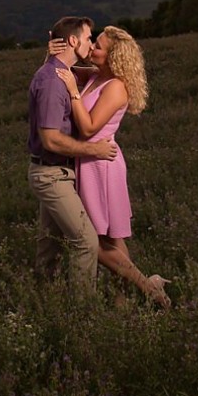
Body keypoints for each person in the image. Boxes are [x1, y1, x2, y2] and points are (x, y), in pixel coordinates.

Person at [54, 24, 170, 309]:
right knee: (111, 239)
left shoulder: (116, 86)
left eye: (98, 46)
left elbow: (88, 128)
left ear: (114, 57)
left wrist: (73, 93)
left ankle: (148, 288)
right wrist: (58, 52)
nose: (92, 47)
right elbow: (62, 68)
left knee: (93, 239)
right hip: (91, 162)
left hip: (101, 167)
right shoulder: (96, 76)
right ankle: (124, 300)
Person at [27, 15, 117, 284]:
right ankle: (82, 315)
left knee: (49, 247)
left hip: (57, 171)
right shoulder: (54, 82)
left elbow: (104, 75)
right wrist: (95, 151)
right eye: (89, 38)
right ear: (73, 40)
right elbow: (51, 140)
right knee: (86, 242)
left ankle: (43, 301)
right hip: (52, 175)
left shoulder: (63, 74)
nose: (91, 45)